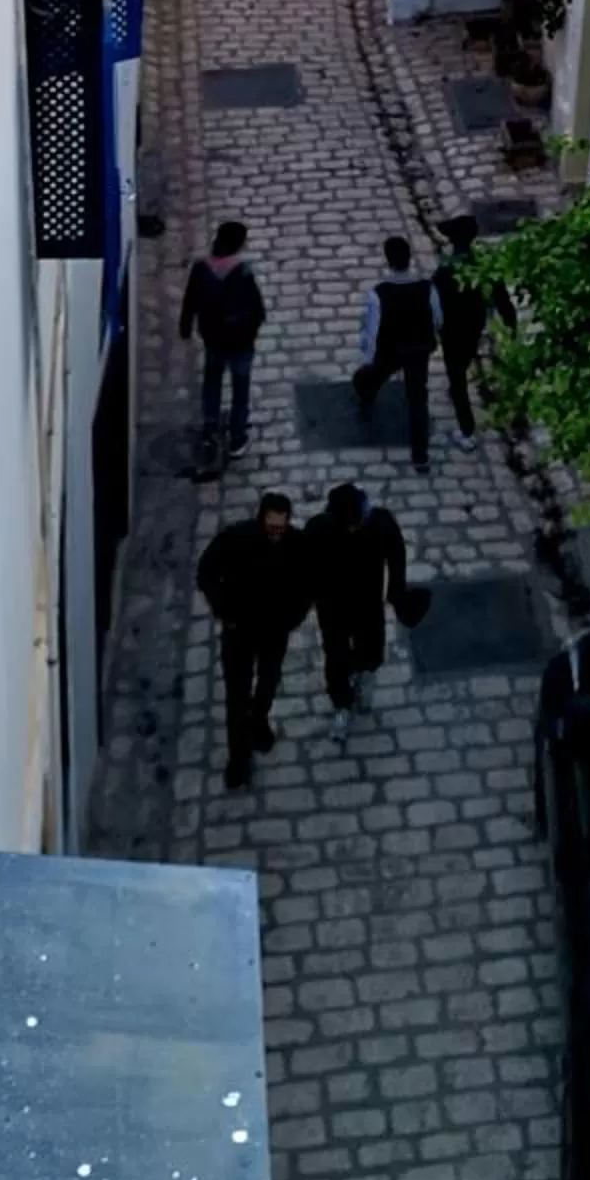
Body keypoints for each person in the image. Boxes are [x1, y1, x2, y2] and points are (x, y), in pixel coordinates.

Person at [197, 490, 313, 792]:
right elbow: (206, 571)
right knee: (237, 696)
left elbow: (309, 584)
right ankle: (238, 758)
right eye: (271, 527)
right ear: (262, 520)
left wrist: (293, 617)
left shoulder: (297, 545)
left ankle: (258, 720)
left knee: (268, 683)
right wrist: (225, 611)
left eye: (281, 527)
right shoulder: (237, 539)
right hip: (240, 632)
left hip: (274, 631)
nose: (276, 533)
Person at [303, 481, 421, 743]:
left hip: (367, 602)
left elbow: (397, 553)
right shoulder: (318, 530)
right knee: (336, 656)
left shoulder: (379, 523)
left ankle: (365, 676)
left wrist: (395, 590)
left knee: (371, 647)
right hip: (332, 607)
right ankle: (342, 703)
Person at [179, 219, 267, 473]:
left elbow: (190, 302)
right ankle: (237, 437)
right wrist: (251, 332)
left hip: (214, 341)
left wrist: (186, 327)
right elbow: (258, 311)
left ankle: (210, 429)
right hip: (240, 344)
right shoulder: (243, 273)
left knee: (212, 383)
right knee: (240, 391)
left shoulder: (201, 269)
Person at [431, 214, 518, 451]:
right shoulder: (484, 267)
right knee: (465, 360)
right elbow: (502, 299)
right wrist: (511, 325)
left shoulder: (444, 271)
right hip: (475, 324)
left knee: (457, 378)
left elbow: (432, 303)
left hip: (451, 330)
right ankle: (458, 395)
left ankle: (466, 430)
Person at [353, 235, 439, 469]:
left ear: (388, 261)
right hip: (418, 351)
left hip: (390, 351)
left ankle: (366, 401)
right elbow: (437, 318)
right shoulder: (426, 288)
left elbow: (372, 330)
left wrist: (368, 359)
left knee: (371, 378)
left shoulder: (379, 294)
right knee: (417, 400)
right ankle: (420, 456)